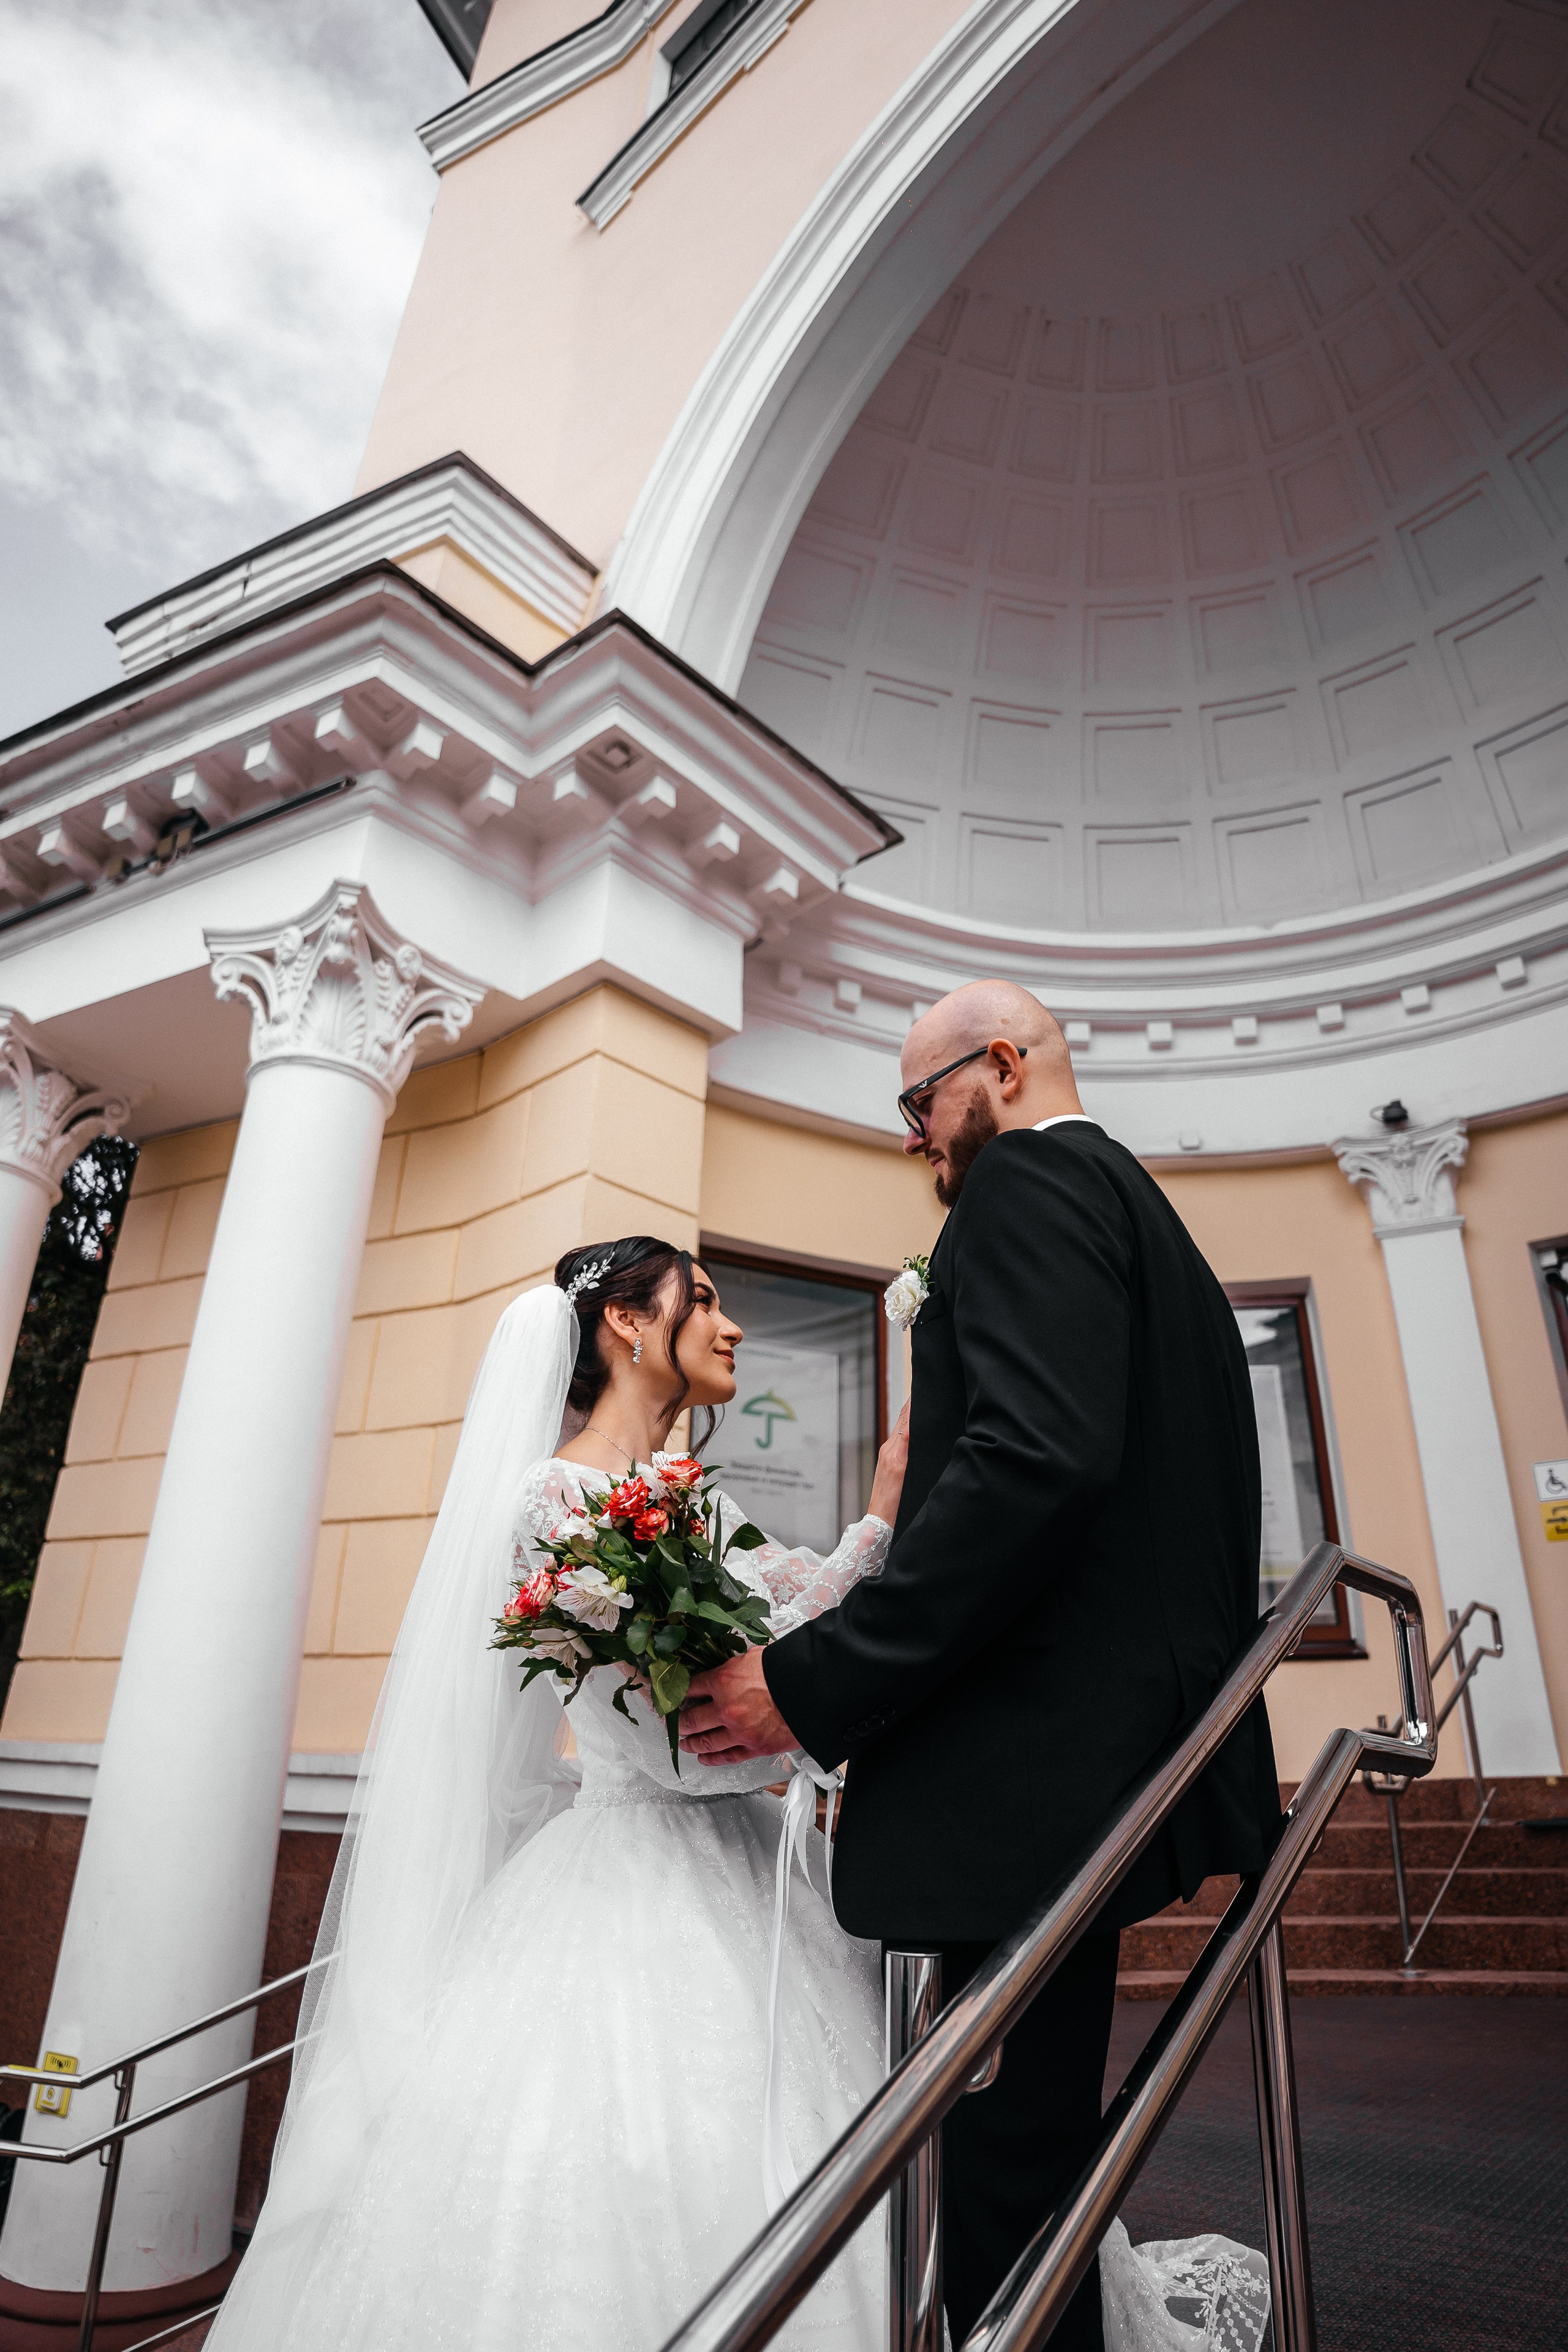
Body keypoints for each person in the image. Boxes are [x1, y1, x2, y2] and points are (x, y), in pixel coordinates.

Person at [682, 979, 1283, 2352]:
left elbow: (1033, 1463)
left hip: (1026, 1775)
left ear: (998, 1068)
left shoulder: (1021, 1192)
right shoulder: (1147, 1223)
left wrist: (816, 1676)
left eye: (919, 1101)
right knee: (1029, 2168)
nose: (911, 1139)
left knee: (1002, 2187)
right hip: (1110, 1764)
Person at [205, 1238, 906, 2352]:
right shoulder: (554, 1498)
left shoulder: (686, 1500)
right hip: (631, 1884)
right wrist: (864, 1564)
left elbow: (803, 1619)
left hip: (749, 1870)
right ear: (629, 1323)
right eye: (706, 1301)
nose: (733, 1328)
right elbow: (683, 1745)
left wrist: (880, 1519)